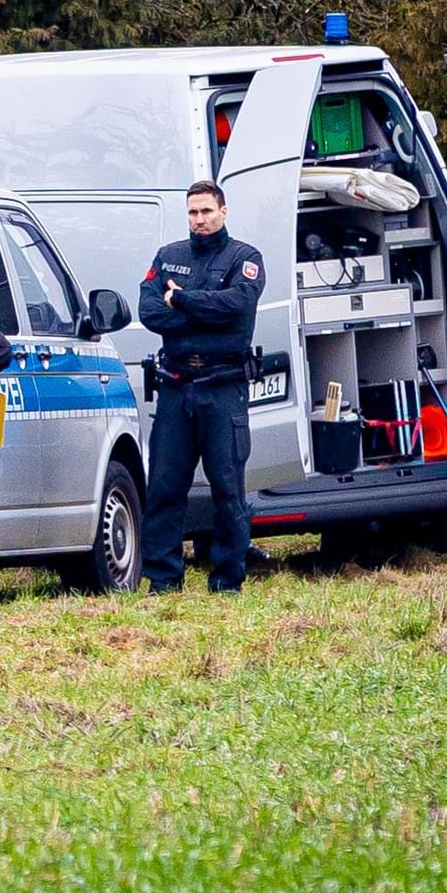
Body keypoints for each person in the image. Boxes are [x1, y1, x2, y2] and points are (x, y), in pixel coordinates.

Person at [138, 179, 265, 595]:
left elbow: (236, 307)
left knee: (228, 488)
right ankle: (163, 578)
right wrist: (199, 310)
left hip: (222, 387)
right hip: (176, 386)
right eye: (193, 212)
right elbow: (150, 311)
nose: (199, 220)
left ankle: (228, 578)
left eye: (207, 211)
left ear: (223, 212)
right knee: (164, 486)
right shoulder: (169, 256)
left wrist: (183, 301)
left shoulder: (245, 258)